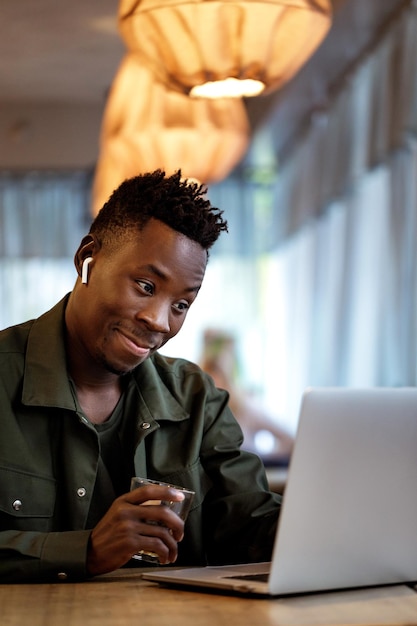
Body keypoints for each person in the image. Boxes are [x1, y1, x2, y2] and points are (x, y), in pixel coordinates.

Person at [0, 169, 281, 583]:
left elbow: (249, 523)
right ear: (87, 260)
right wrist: (86, 550)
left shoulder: (197, 399)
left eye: (181, 305)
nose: (159, 322)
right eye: (146, 286)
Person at [199, 329, 293, 463]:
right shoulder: (196, 405)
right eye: (209, 371)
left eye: (218, 372)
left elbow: (289, 440)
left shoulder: (246, 407)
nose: (214, 380)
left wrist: (259, 462)